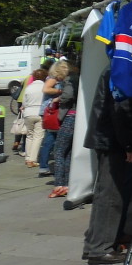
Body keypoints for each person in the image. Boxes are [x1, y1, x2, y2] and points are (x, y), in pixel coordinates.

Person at [82, 67, 132, 264]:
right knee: (111, 196)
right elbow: (121, 108)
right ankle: (100, 248)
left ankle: (95, 244)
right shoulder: (125, 70)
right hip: (114, 142)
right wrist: (130, 145)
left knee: (105, 194)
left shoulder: (117, 68)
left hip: (109, 139)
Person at [48, 63, 80, 197]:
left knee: (59, 151)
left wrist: (58, 99)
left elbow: (68, 96)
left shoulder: (69, 80)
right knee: (68, 152)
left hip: (70, 117)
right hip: (78, 117)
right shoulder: (78, 78)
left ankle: (59, 185)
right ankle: (67, 184)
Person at [21, 68, 48, 169]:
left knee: (29, 136)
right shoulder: (45, 87)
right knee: (38, 136)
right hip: (40, 113)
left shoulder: (29, 87)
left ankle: (28, 158)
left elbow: (24, 103)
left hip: (28, 113)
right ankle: (32, 159)